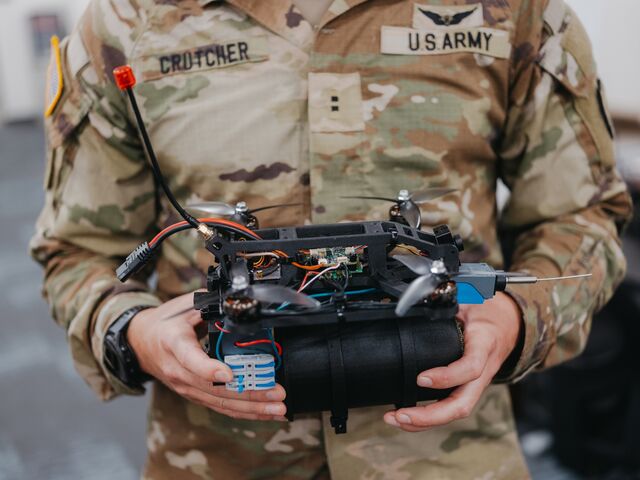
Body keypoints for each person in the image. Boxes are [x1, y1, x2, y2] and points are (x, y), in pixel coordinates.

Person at [31, 0, 633, 478]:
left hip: (448, 455)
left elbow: (583, 215)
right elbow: (76, 250)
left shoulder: (514, 10)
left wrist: (518, 317)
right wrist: (133, 332)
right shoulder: (127, 21)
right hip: (217, 456)